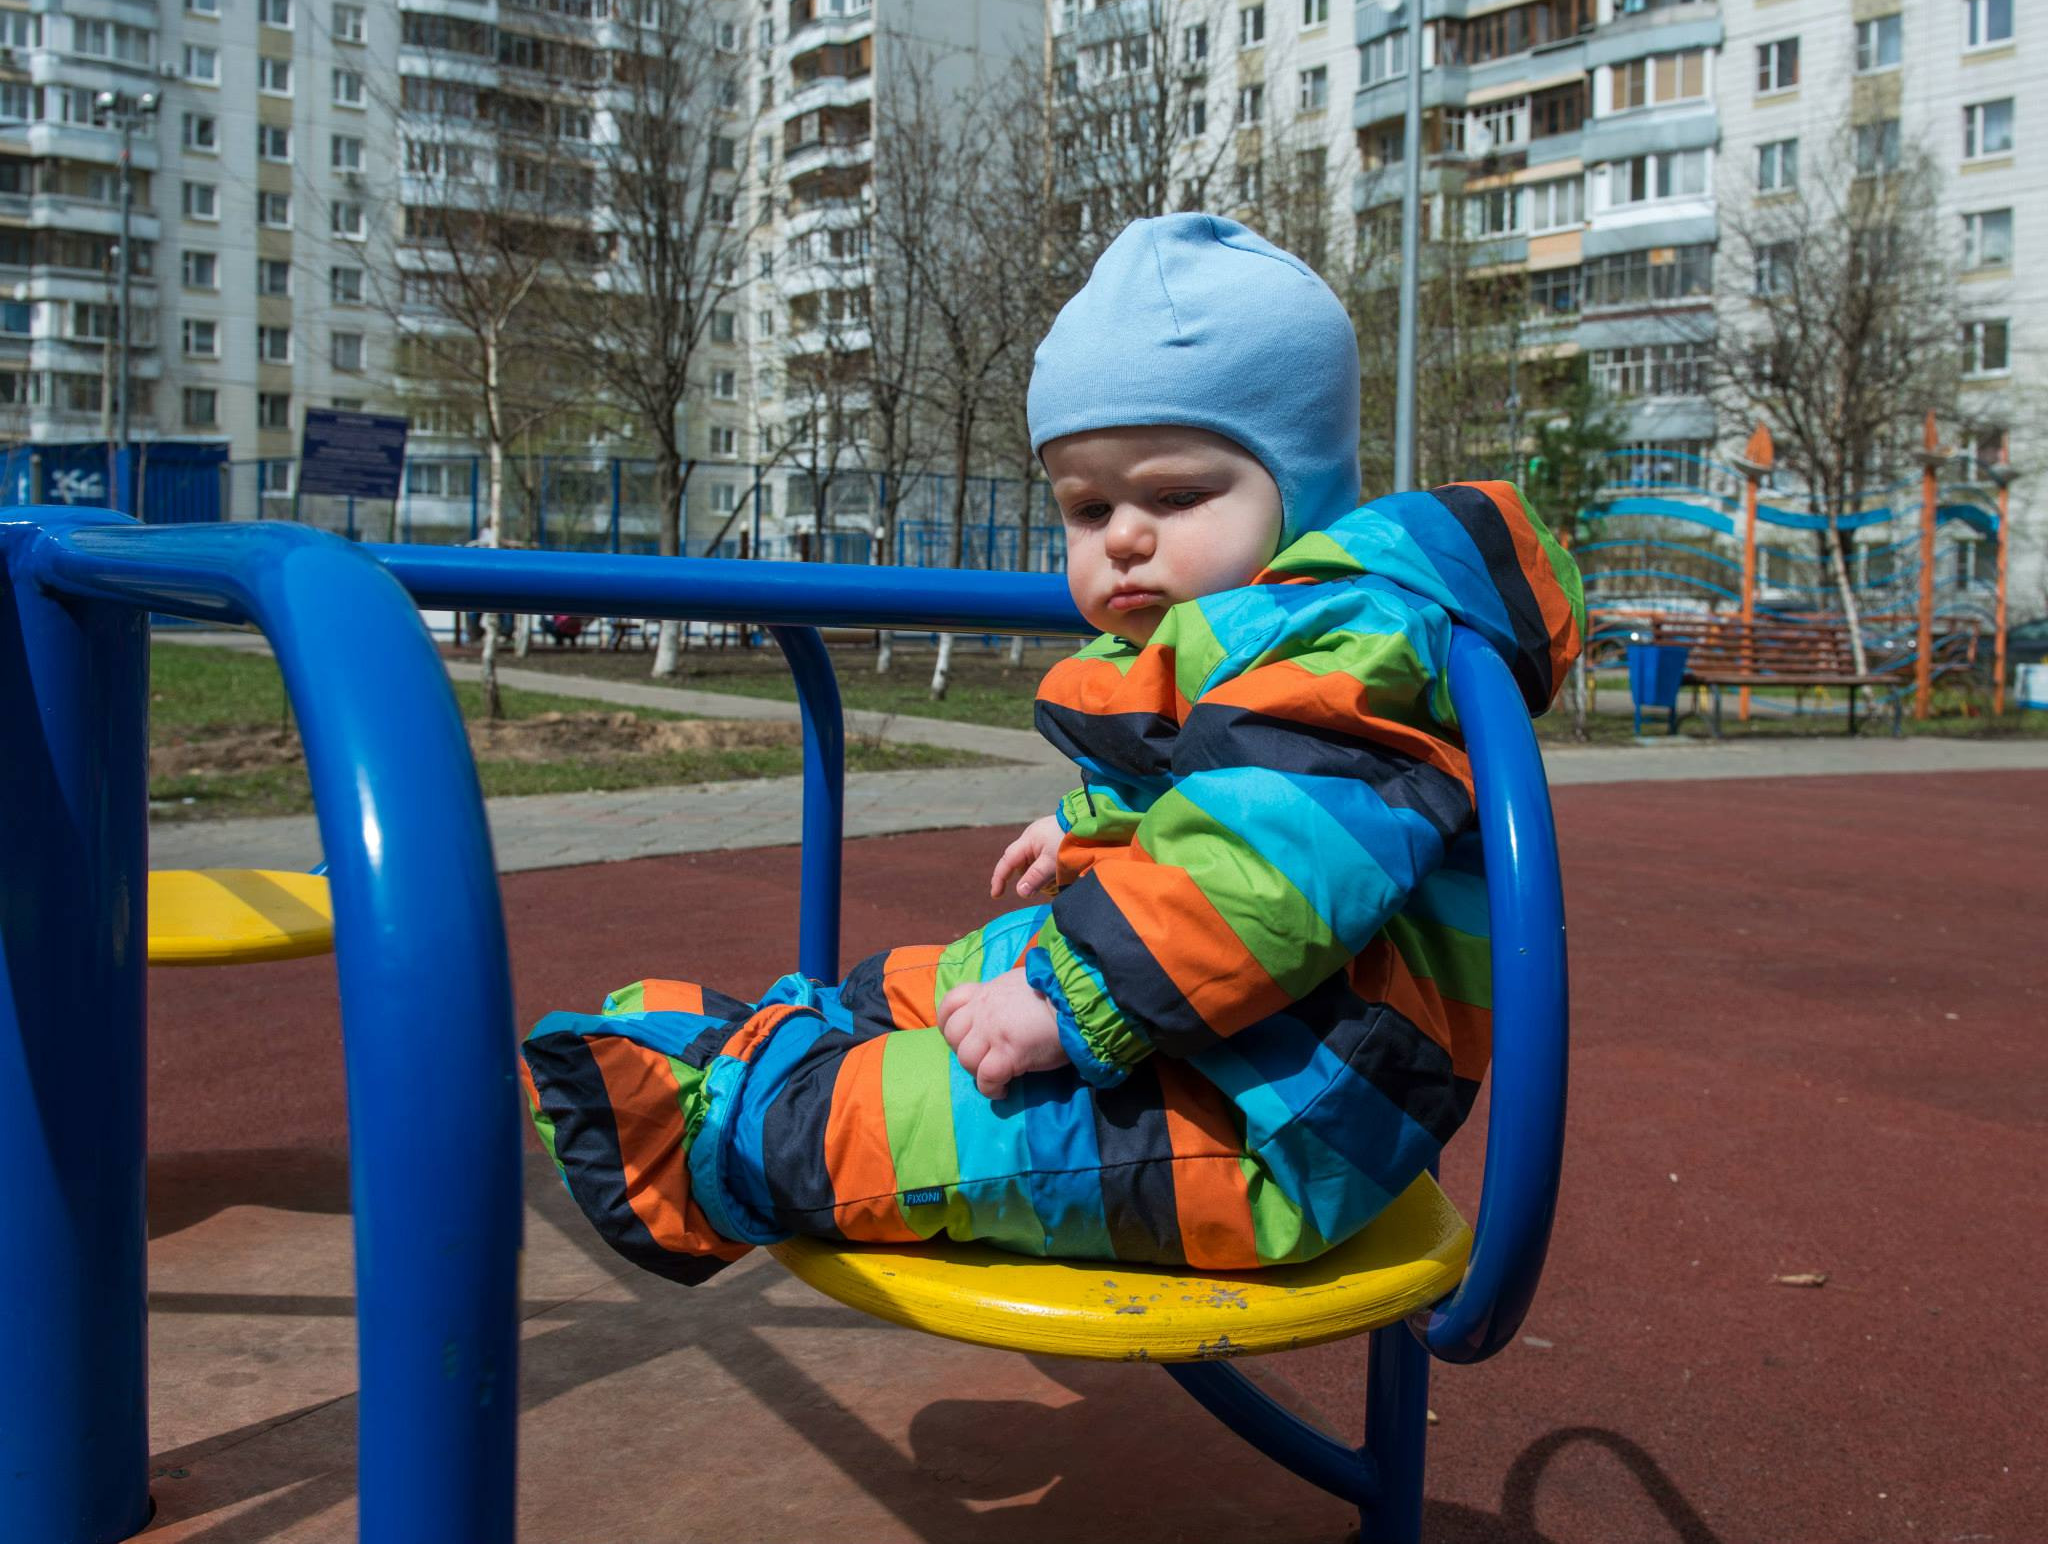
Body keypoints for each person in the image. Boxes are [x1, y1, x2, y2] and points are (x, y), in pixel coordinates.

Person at [520, 214, 1583, 1284]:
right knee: (953, 973)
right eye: (1086, 505)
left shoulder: (1341, 639)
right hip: (1245, 1028)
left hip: (1280, 1123)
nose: (1121, 534)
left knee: (941, 1125)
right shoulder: (1274, 639)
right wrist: (1095, 822)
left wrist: (1069, 999)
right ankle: (799, 1027)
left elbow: (1270, 860)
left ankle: (715, 1136)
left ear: (1300, 492)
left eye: (1174, 495)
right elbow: (1233, 796)